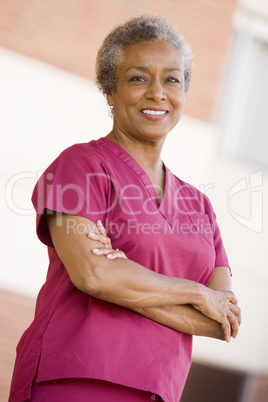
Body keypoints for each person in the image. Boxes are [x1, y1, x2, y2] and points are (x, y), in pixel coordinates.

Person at [9, 15, 241, 402]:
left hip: (158, 389)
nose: (157, 92)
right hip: (74, 381)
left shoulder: (200, 207)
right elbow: (94, 275)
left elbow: (223, 322)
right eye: (137, 78)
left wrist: (125, 279)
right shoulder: (81, 166)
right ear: (110, 91)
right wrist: (195, 293)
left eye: (171, 79)